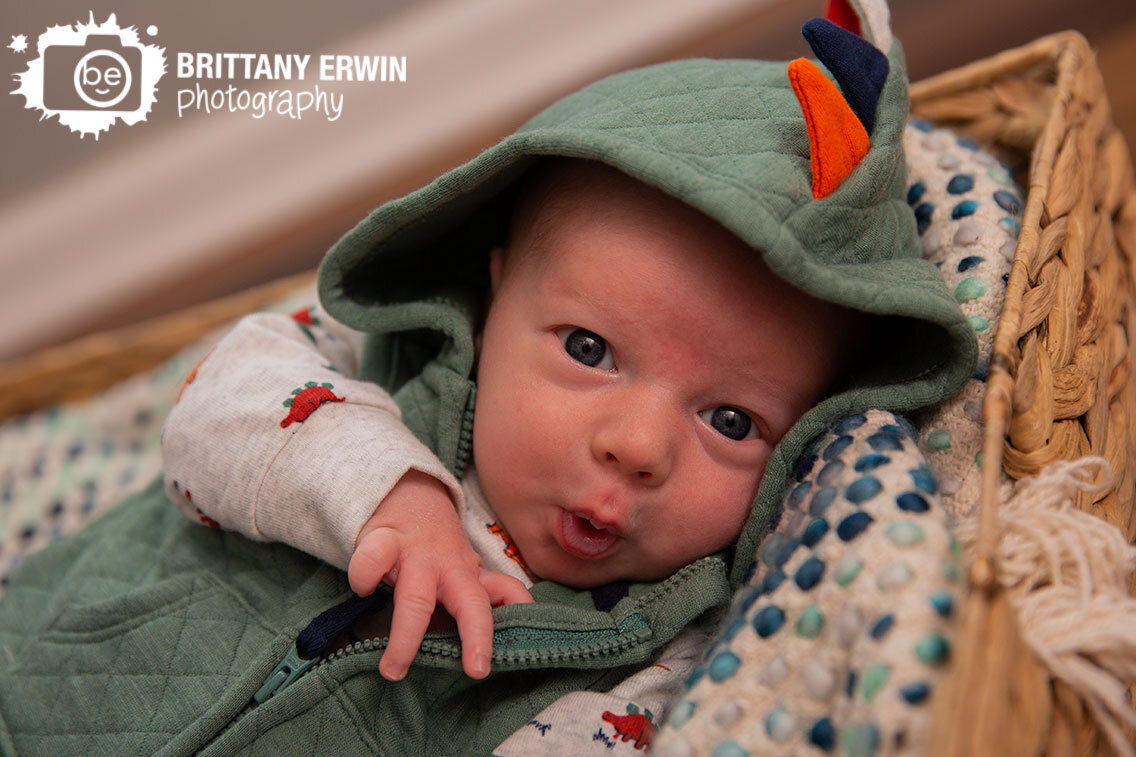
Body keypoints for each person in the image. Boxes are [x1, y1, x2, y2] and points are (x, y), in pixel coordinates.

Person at [0, 3, 977, 753]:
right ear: (496, 292)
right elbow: (217, 404)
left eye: (729, 417)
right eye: (587, 351)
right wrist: (385, 488)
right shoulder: (384, 363)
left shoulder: (663, 642)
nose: (636, 447)